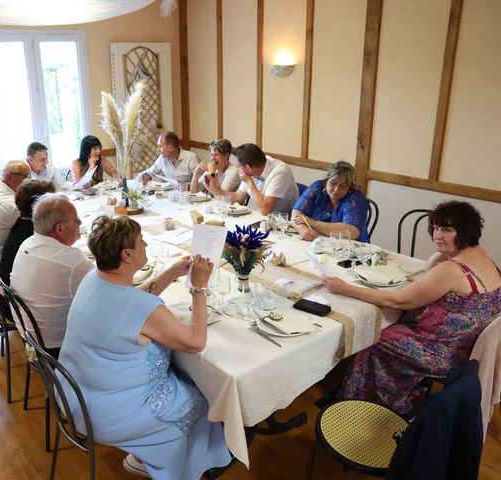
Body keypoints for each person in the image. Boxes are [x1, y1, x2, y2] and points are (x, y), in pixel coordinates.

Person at [58, 216, 231, 479]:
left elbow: (134, 298)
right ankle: (165, 464)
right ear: (127, 254)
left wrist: (172, 272)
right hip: (109, 415)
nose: (146, 243)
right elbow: (196, 342)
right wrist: (199, 288)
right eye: (141, 242)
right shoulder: (142, 308)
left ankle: (146, 455)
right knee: (203, 395)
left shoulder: (94, 279)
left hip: (75, 395)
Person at [322, 201, 501, 414]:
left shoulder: (452, 270)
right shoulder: (482, 257)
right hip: (465, 347)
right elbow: (430, 271)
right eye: (435, 227)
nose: (437, 235)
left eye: (447, 230)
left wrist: (344, 288)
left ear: (465, 232)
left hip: (444, 352)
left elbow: (397, 301)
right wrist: (442, 253)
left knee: (373, 339)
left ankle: (366, 406)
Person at [10, 193, 93, 357]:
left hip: (31, 339)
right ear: (60, 228)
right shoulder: (74, 263)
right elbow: (113, 293)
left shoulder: (27, 243)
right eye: (76, 219)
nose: (80, 223)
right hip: (59, 350)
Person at [205, 143, 299, 215]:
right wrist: (216, 190)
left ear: (249, 167)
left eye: (239, 166)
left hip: (283, 224)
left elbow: (264, 209)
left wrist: (250, 182)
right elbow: (239, 197)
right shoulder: (253, 168)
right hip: (258, 219)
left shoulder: (280, 172)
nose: (238, 169)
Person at [291, 160, 370, 242]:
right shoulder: (318, 188)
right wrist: (302, 230)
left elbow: (352, 232)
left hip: (350, 248)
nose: (336, 190)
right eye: (333, 183)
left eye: (342, 186)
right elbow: (296, 212)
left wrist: (313, 223)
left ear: (349, 188)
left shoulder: (355, 198)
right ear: (327, 181)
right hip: (321, 242)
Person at [0, 179, 56, 285]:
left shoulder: (21, 222)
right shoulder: (34, 233)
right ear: (35, 206)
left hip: (10, 285)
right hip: (17, 293)